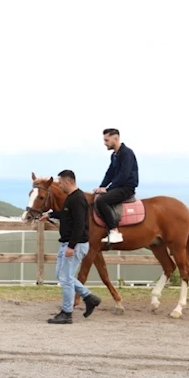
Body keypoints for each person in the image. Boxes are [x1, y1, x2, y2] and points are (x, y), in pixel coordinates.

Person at [41, 169, 101, 324]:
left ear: (68, 182)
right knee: (62, 275)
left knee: (66, 278)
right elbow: (67, 215)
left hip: (74, 245)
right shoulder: (72, 198)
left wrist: (71, 246)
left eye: (60, 183)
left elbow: (80, 224)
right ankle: (89, 297)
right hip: (67, 243)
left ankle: (67, 313)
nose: (59, 186)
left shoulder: (78, 199)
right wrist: (51, 215)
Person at [93, 128, 139, 244]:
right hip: (118, 187)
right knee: (97, 197)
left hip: (126, 188)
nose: (105, 143)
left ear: (116, 138)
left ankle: (114, 231)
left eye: (106, 140)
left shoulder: (127, 153)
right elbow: (109, 174)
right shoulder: (114, 155)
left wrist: (107, 189)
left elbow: (124, 175)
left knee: (102, 201)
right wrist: (101, 187)